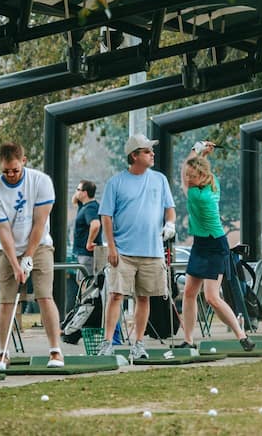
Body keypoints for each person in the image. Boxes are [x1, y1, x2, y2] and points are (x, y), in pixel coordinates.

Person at [0, 142, 63, 369]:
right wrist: (16, 265)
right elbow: (3, 232)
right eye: (5, 171)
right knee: (6, 301)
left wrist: (28, 256)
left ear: (24, 161)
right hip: (9, 250)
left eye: (15, 170)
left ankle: (55, 351)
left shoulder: (41, 181)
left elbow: (39, 224)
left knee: (44, 296)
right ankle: (2, 354)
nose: (10, 175)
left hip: (40, 246)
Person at [97, 134, 176, 359]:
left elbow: (169, 208)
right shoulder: (116, 182)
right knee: (115, 295)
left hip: (152, 251)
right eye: (147, 151)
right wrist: (111, 247)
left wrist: (170, 224)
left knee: (144, 298)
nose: (152, 154)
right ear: (134, 155)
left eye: (152, 150)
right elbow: (106, 217)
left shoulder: (160, 179)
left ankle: (139, 344)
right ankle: (107, 343)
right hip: (123, 251)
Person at [176, 141, 254, 351]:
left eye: (192, 177)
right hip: (201, 243)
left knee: (211, 297)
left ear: (201, 177)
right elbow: (193, 168)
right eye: (189, 177)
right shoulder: (213, 183)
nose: (188, 179)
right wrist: (203, 154)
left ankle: (241, 335)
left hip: (215, 245)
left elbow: (187, 166)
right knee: (189, 293)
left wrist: (197, 149)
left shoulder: (197, 195)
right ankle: (189, 340)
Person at [72, 179, 103, 281]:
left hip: (88, 255)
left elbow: (95, 225)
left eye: (78, 189)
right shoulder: (84, 206)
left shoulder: (91, 208)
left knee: (86, 284)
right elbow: (74, 200)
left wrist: (89, 242)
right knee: (81, 282)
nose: (76, 192)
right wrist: (77, 194)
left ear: (85, 193)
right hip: (83, 254)